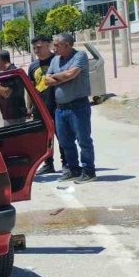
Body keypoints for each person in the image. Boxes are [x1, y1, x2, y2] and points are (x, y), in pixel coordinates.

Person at [45, 32, 96, 183]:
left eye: (56, 45)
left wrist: (57, 77)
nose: (53, 48)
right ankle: (74, 169)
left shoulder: (80, 56)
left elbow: (72, 74)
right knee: (65, 142)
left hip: (78, 106)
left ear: (67, 45)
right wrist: (62, 76)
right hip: (60, 109)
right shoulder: (55, 60)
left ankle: (89, 171)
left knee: (83, 140)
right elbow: (47, 80)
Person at [27, 35, 64, 175]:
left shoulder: (58, 61)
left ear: (48, 45)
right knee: (44, 139)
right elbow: (30, 88)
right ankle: (48, 164)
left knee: (62, 137)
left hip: (58, 106)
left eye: (39, 47)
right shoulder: (32, 66)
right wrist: (29, 107)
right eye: (34, 48)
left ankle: (66, 163)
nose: (37, 50)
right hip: (40, 109)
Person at [0, 50, 30, 127]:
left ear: (0, 61)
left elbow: (6, 93)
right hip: (11, 116)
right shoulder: (8, 72)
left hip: (15, 116)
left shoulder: (12, 72)